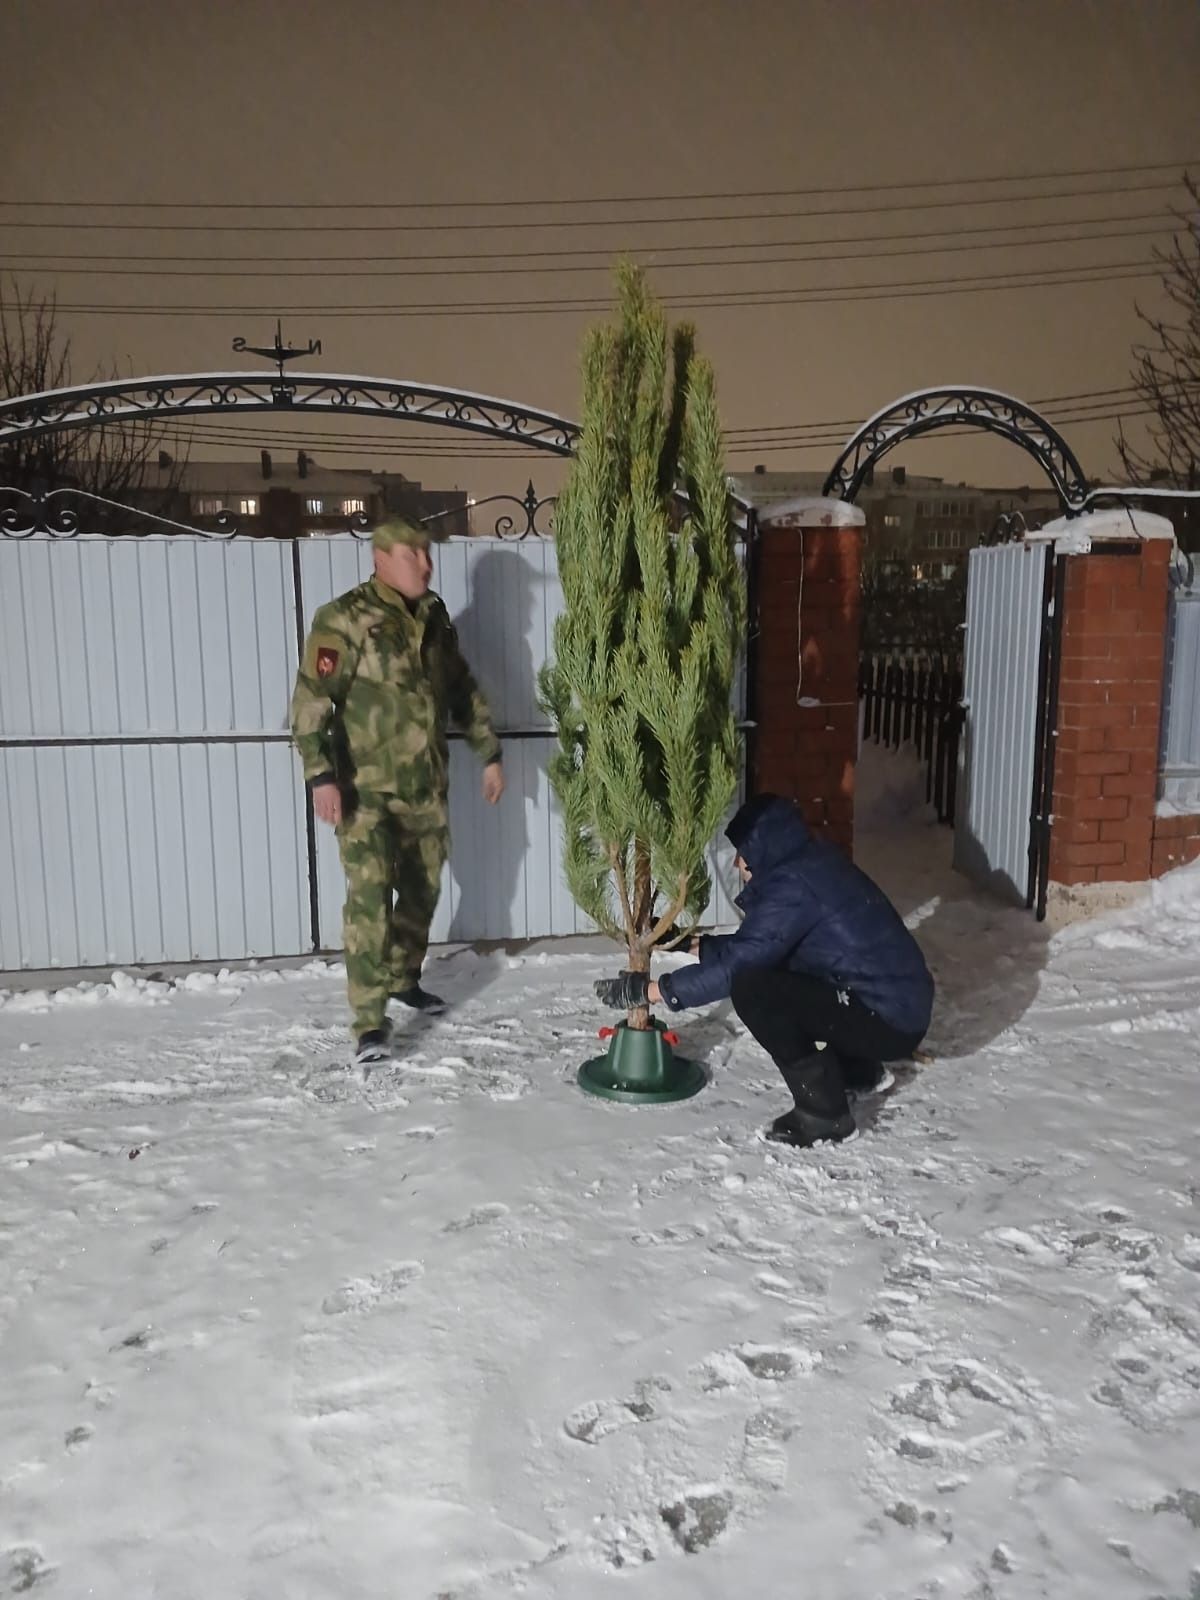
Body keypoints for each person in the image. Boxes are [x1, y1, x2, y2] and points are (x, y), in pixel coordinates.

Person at [594, 793, 934, 1147]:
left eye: (742, 853)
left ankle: (825, 1116)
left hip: (889, 1018)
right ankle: (858, 1071)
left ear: (763, 848)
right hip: (896, 1004)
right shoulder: (809, 866)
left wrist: (649, 991)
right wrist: (687, 943)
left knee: (754, 990)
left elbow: (742, 965)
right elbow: (760, 945)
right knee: (775, 979)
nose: (736, 864)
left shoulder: (793, 887)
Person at [290, 516, 504, 1063]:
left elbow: (462, 691)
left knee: (422, 891)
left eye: (428, 553)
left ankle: (404, 978)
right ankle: (368, 1024)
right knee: (370, 902)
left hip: (425, 788)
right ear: (382, 557)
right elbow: (312, 700)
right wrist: (321, 776)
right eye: (415, 554)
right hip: (365, 793)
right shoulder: (345, 618)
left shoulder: (435, 619)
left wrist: (489, 754)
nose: (427, 564)